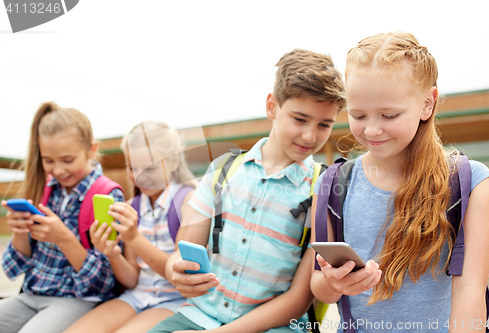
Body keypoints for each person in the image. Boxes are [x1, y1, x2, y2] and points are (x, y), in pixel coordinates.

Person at [148, 49, 346, 333]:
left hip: (274, 326)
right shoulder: (222, 169)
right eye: (300, 119)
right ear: (272, 106)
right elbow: (181, 254)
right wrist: (175, 273)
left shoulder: (323, 189)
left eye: (324, 124)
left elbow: (299, 300)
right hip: (199, 316)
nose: (310, 136)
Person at [310, 32, 489, 332]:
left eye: (389, 114)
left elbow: (470, 295)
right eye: (357, 115)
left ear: (427, 104)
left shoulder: (470, 183)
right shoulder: (332, 185)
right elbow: (319, 287)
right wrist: (334, 282)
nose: (371, 130)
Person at [0, 102, 125, 333]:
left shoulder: (106, 196)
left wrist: (64, 239)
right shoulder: (46, 189)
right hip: (31, 294)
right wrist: (19, 232)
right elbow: (12, 268)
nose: (58, 170)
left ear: (91, 149)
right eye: (48, 161)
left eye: (67, 160)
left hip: (76, 300)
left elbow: (104, 283)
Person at [64, 121, 197, 333]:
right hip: (137, 296)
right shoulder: (131, 207)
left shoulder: (188, 201)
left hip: (175, 300)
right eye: (132, 167)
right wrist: (113, 254)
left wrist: (134, 237)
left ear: (173, 162)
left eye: (149, 168)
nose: (139, 176)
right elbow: (132, 279)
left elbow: (178, 271)